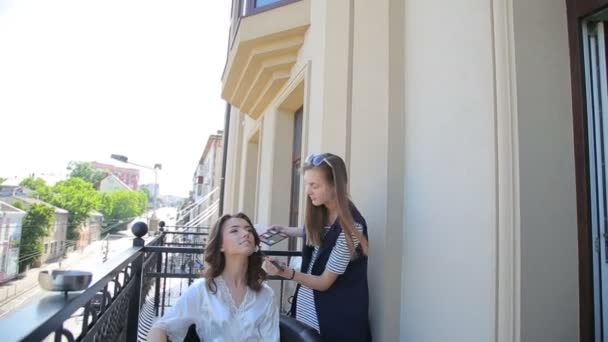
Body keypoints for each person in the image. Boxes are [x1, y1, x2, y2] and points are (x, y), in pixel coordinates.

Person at [263, 153, 371, 341]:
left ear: (335, 186)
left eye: (315, 185)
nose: (308, 191)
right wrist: (287, 231)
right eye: (306, 184)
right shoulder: (323, 212)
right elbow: (320, 233)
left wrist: (286, 272)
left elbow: (324, 282)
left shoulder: (352, 228)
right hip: (307, 312)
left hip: (334, 320)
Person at [147, 213, 279, 342]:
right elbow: (160, 328)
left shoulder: (266, 294)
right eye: (234, 231)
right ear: (220, 245)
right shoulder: (202, 289)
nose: (246, 234)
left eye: (249, 230)